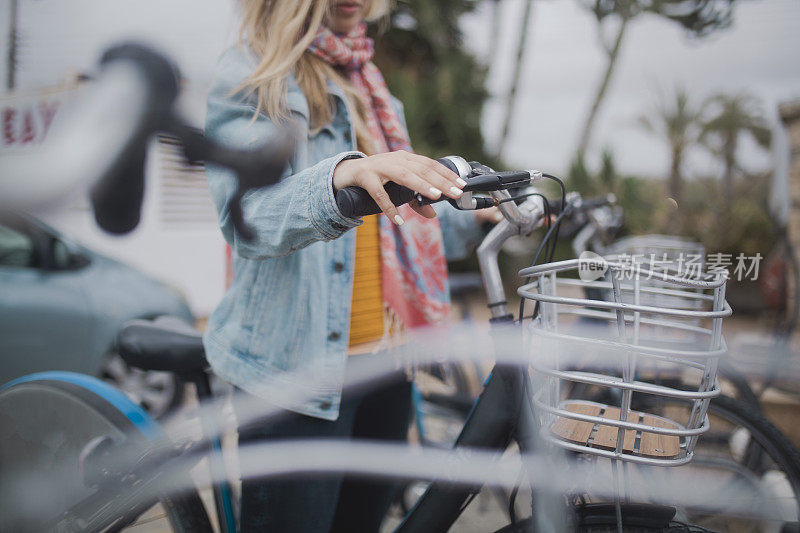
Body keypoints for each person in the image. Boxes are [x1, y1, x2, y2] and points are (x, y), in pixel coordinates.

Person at [203, 1, 497, 531]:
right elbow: (246, 216)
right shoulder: (254, 72)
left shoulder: (369, 81)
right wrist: (340, 177)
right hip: (300, 376)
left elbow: (402, 223)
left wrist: (480, 215)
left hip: (389, 365)